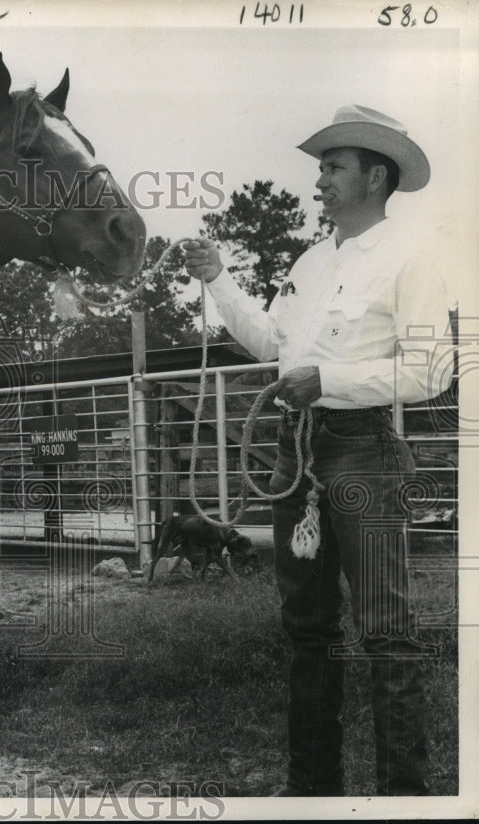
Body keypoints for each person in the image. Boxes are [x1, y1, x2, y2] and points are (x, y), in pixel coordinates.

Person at [183, 105, 452, 796]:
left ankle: (404, 799)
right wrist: (217, 277)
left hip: (363, 452)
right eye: (321, 168)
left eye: (334, 167)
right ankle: (313, 792)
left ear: (376, 175)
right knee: (307, 629)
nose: (321, 181)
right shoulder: (311, 259)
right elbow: (274, 344)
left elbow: (432, 371)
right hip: (294, 456)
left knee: (387, 633)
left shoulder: (410, 258)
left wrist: (326, 380)